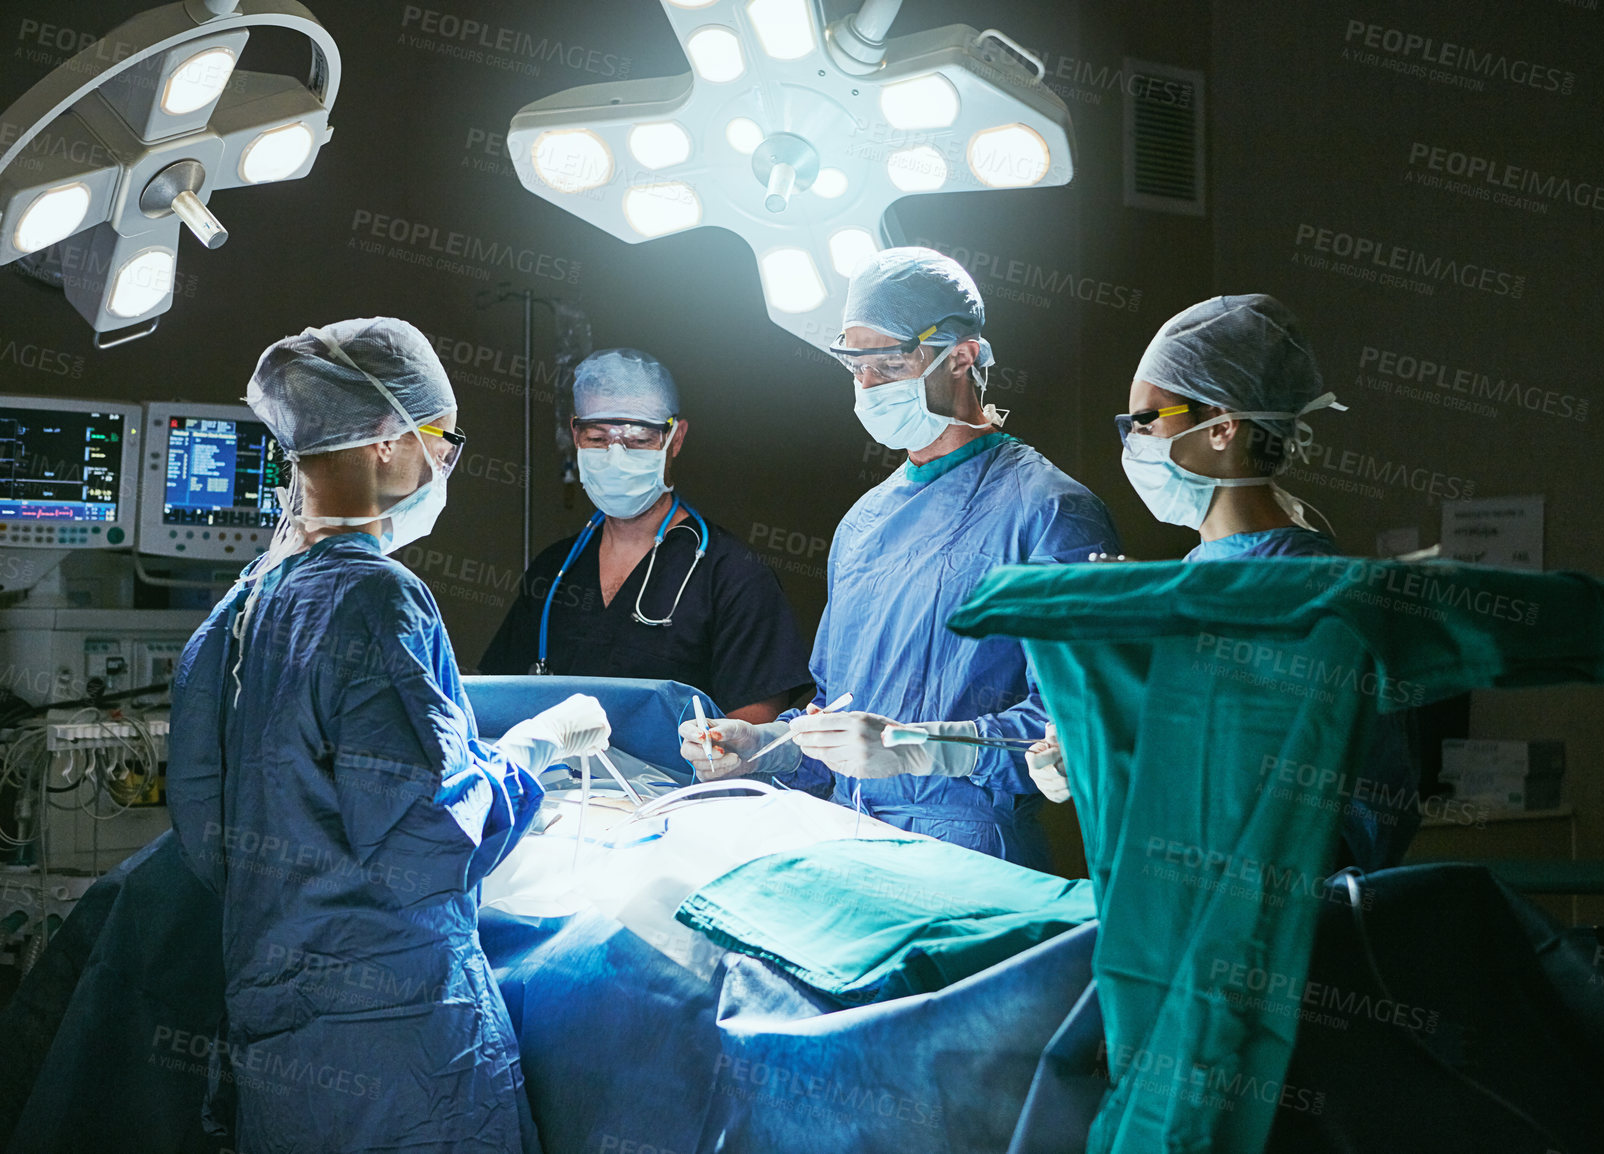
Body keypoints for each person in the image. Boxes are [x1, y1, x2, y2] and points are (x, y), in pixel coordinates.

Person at [166, 318, 610, 1154]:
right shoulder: (376, 600)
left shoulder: (240, 610)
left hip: (280, 1040)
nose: (445, 465)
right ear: (384, 438)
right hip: (399, 1050)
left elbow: (207, 833)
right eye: (440, 440)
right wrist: (530, 755)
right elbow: (424, 841)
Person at [678, 248, 1120, 867]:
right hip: (844, 842)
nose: (868, 387)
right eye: (855, 367)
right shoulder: (862, 523)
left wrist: (917, 748)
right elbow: (836, 708)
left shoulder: (1051, 513)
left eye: (888, 363)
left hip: (972, 857)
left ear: (962, 357)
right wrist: (769, 745)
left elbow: (1075, 726)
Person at [1025, 293, 1419, 870]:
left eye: (1146, 420)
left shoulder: (1309, 594)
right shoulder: (1196, 576)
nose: (1132, 442)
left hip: (1286, 923)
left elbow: (1315, 807)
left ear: (1222, 426)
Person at [480, 348, 810, 723]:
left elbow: (753, 738)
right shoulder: (552, 573)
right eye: (598, 438)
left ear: (676, 438)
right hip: (559, 781)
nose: (616, 456)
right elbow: (497, 701)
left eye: (638, 440)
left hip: (686, 783)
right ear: (575, 435)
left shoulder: (734, 577)